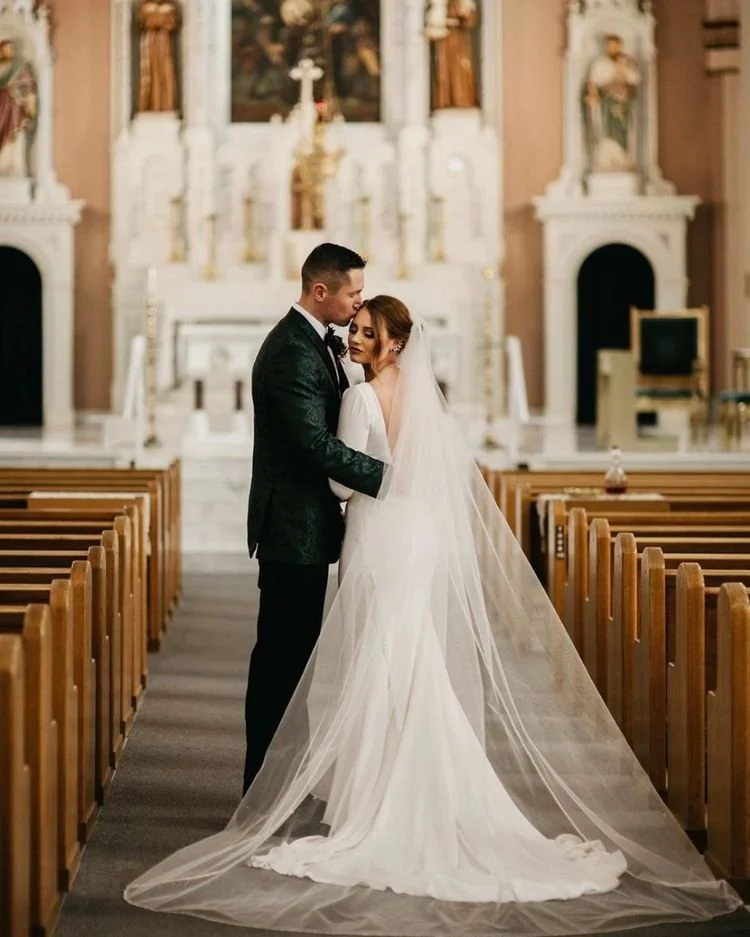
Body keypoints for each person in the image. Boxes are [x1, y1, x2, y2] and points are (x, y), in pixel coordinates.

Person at [125, 299, 740, 935]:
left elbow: (341, 485)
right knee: (409, 654)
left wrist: (344, 478)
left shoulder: (363, 400)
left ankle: (380, 800)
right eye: (356, 329)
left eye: (369, 333)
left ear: (394, 345)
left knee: (381, 658)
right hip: (415, 535)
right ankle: (420, 789)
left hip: (377, 536)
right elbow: (415, 470)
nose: (357, 339)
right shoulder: (421, 400)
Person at [242, 243, 384, 795]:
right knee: (281, 665)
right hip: (291, 529)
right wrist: (389, 478)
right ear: (320, 291)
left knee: (292, 663)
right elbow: (312, 444)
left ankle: (280, 787)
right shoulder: (290, 351)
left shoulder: (315, 342)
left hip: (305, 527)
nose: (359, 303)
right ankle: (262, 793)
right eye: (353, 292)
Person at [584, 34, 640, 172]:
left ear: (619, 46)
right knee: (606, 131)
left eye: (615, 45)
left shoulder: (626, 62)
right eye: (609, 45)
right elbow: (593, 84)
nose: (612, 48)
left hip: (622, 104)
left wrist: (623, 71)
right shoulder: (600, 64)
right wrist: (594, 95)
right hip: (606, 104)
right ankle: (606, 160)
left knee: (622, 131)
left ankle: (622, 160)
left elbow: (635, 79)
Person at [0, 38, 37, 178]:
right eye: (6, 48)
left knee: (13, 132)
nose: (10, 51)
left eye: (11, 48)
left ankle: (10, 165)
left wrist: (15, 88)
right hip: (1, 103)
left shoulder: (20, 67)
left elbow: (29, 85)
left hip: (14, 104)